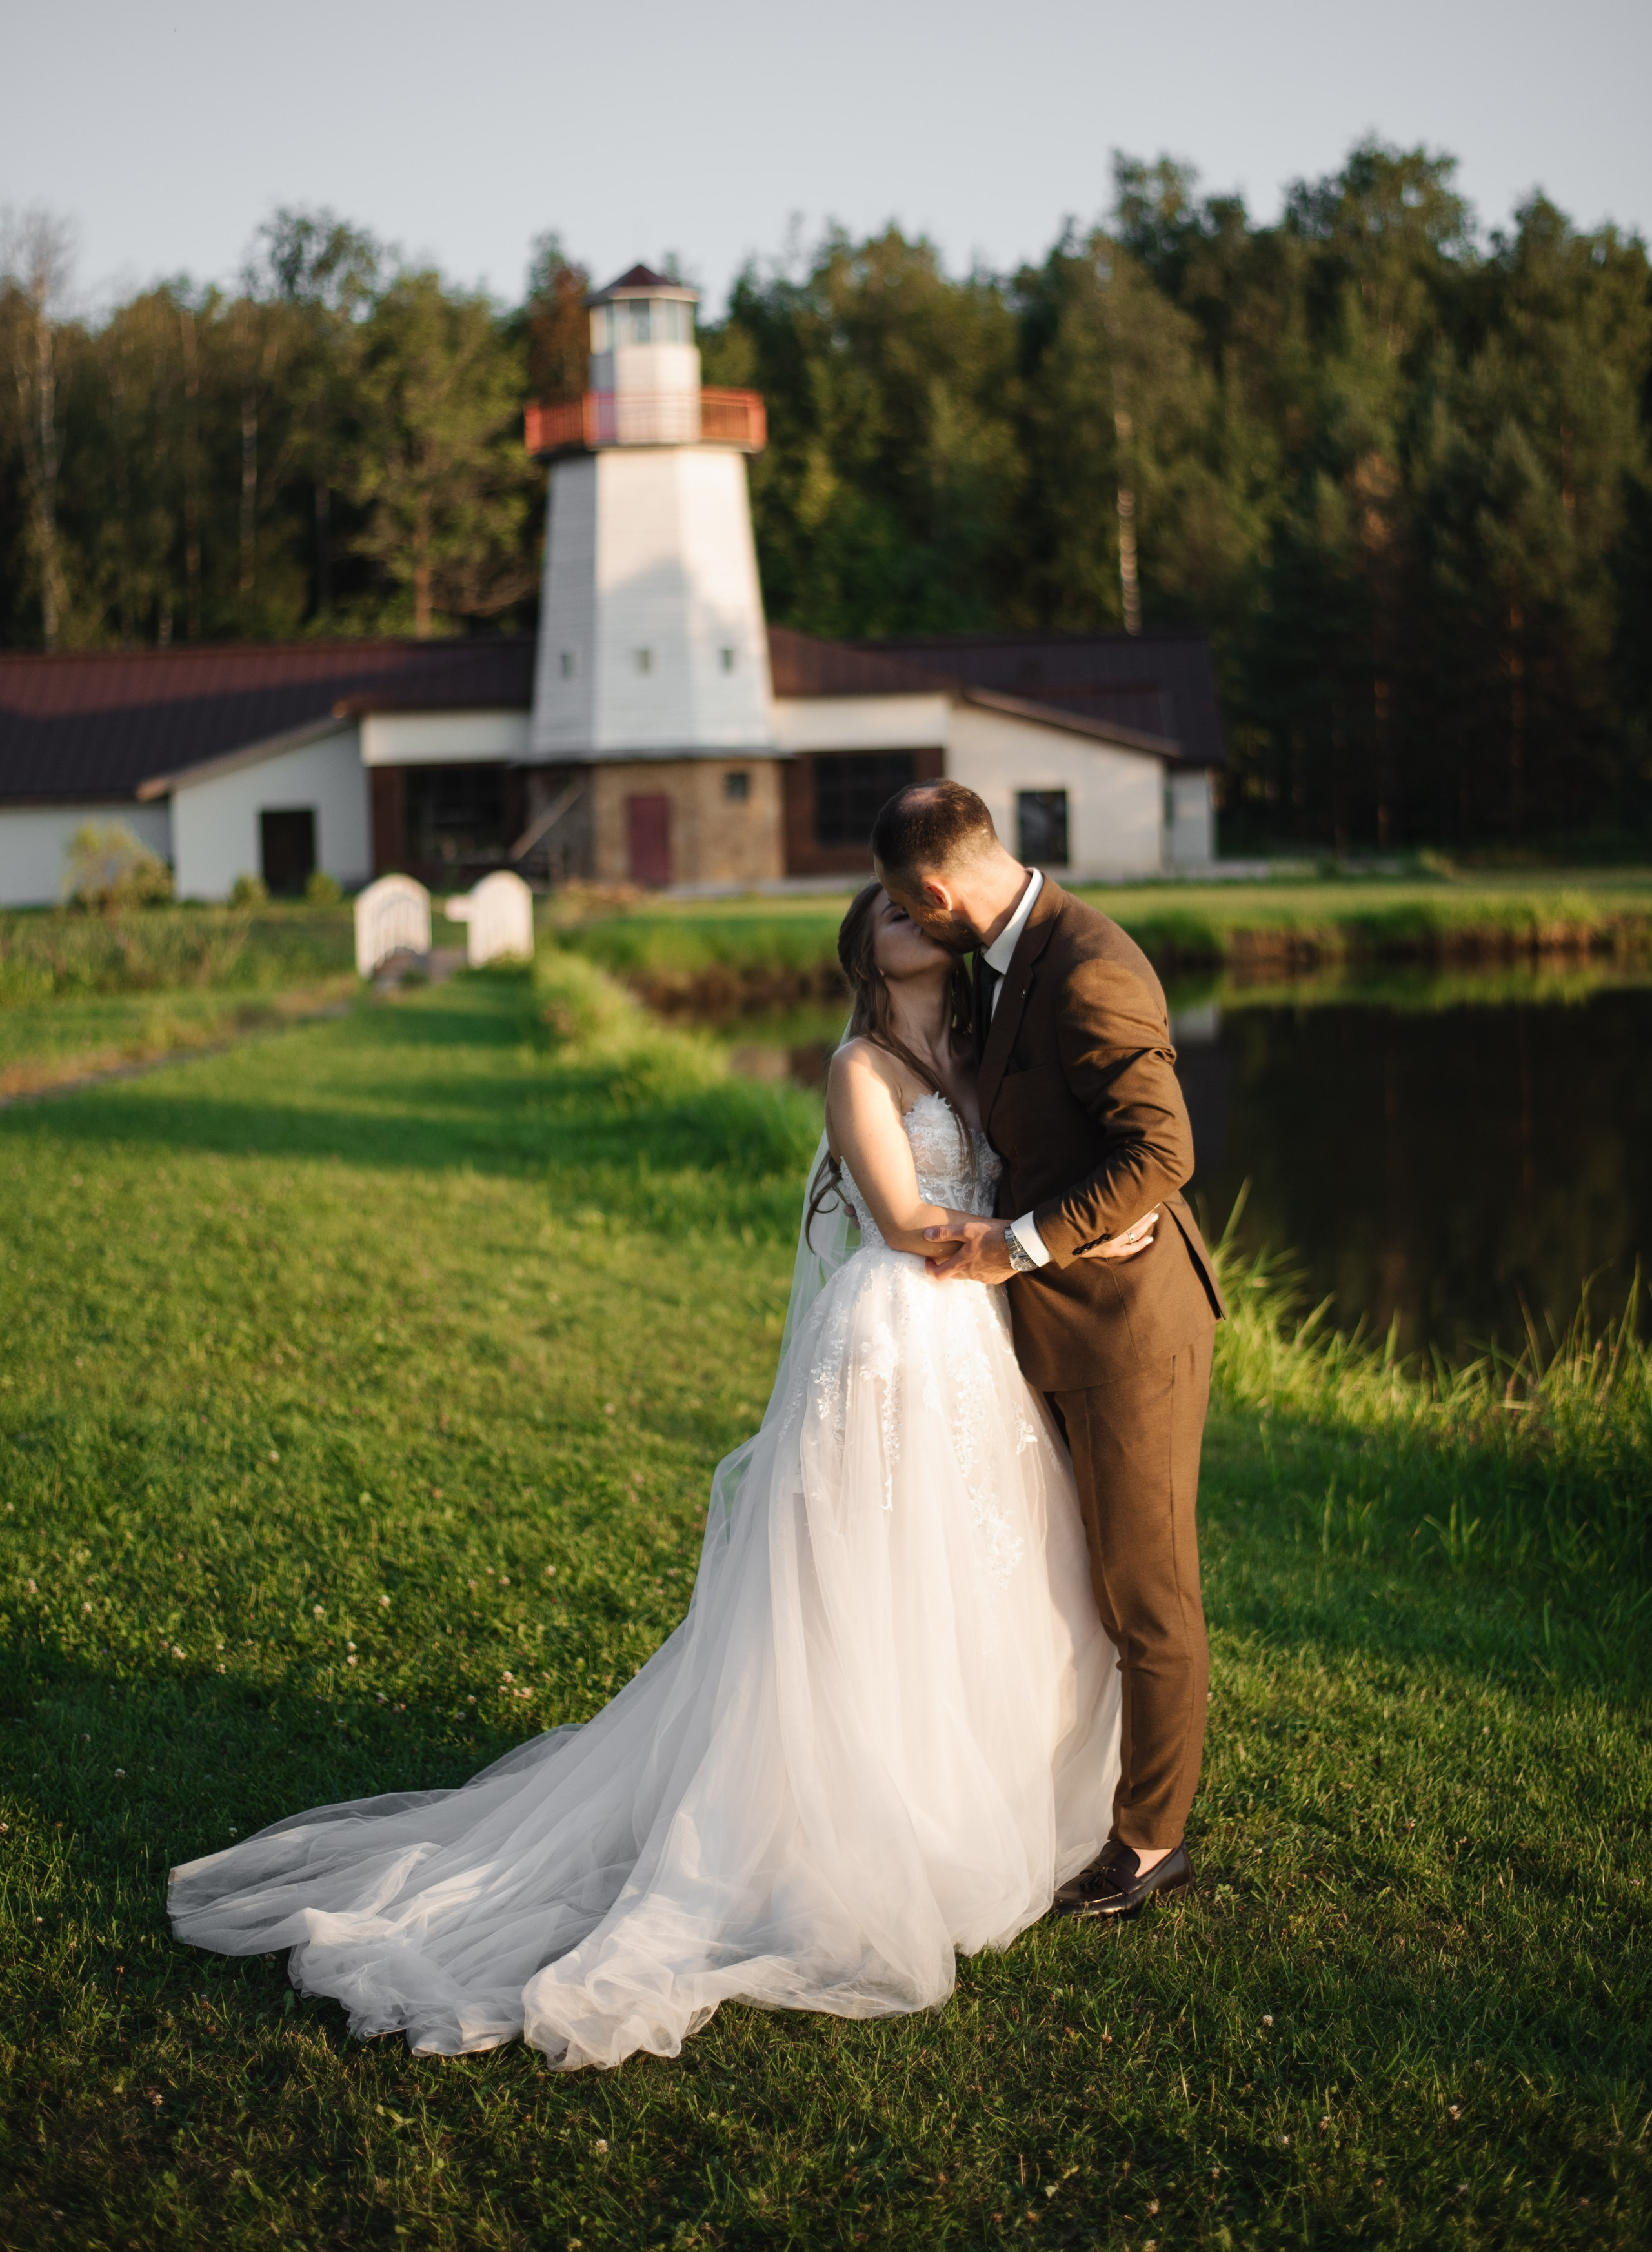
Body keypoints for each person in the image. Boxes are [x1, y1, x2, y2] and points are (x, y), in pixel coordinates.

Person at [170, 880, 1148, 2069]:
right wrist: (1032, 1234)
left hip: (975, 1343)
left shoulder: (986, 1043)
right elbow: (901, 1220)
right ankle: (842, 1829)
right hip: (897, 1334)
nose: (915, 917)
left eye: (917, 903)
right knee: (866, 1590)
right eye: (890, 913)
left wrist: (1091, 1219)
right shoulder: (859, 1069)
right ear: (867, 955)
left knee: (983, 1574)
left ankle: (972, 1801)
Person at [871, 781, 1224, 1922]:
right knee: (1086, 1586)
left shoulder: (1089, 966)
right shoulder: (1002, 956)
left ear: (932, 892)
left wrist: (1017, 1243)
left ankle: (1151, 1843)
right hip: (1057, 1326)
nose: (907, 926)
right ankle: (1075, 1799)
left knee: (1149, 1593)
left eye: (898, 908)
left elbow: (1162, 1151)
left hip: (1130, 1330)